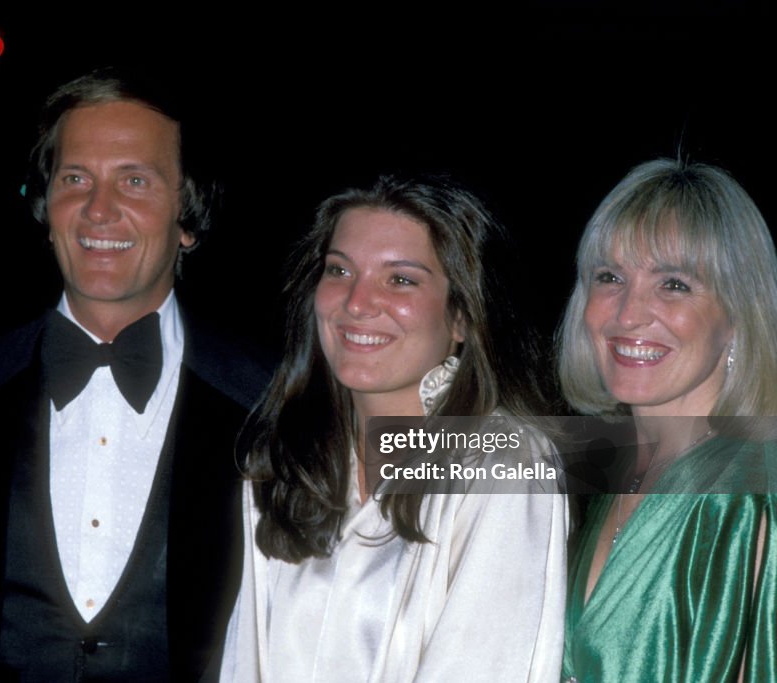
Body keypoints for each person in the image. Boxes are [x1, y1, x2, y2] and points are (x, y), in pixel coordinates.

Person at [0, 67, 270, 682]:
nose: (100, 210)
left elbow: (459, 463)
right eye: (76, 179)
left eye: (135, 180)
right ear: (46, 206)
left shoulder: (271, 402)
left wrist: (484, 433)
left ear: (187, 218)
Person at [221, 174, 569, 682]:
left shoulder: (506, 464)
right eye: (340, 270)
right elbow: (243, 664)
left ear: (463, 318)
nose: (357, 303)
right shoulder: (281, 462)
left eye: (400, 279)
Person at [557, 158, 777, 682]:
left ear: (735, 317)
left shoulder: (747, 497)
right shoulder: (615, 478)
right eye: (609, 277)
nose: (628, 313)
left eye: (673, 284)